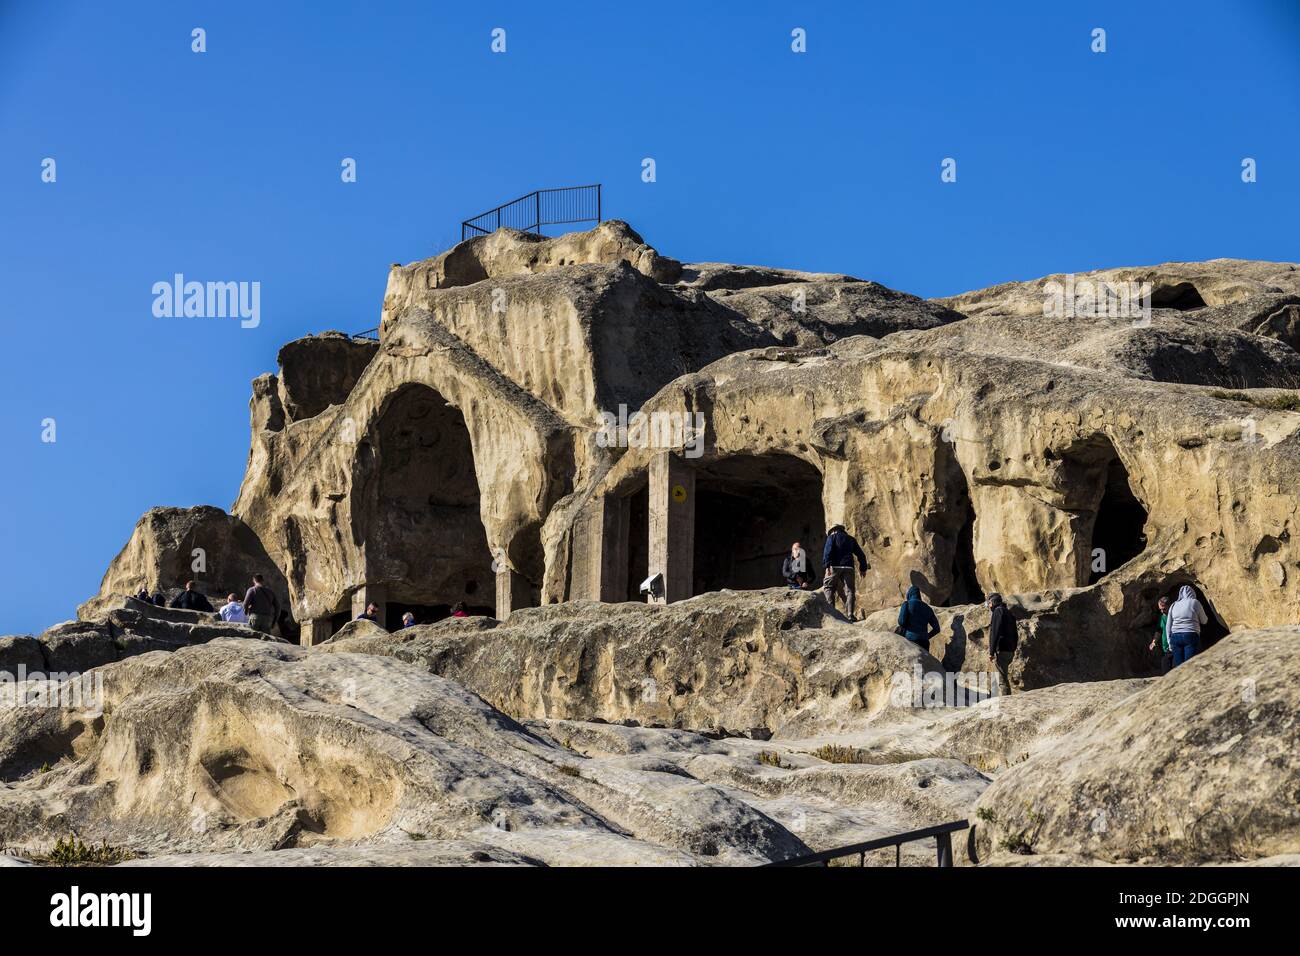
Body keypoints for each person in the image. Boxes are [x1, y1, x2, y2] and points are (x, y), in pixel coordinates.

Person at [821, 524, 868, 619]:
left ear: (833, 530)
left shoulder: (832, 537)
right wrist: (863, 568)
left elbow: (828, 551)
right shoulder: (851, 539)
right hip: (849, 567)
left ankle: (831, 613)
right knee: (850, 590)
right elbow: (861, 555)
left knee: (829, 587)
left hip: (834, 566)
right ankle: (850, 614)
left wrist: (827, 566)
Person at [1167, 585, 1208, 667]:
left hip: (1175, 637)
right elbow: (1204, 621)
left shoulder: (1174, 605)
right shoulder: (1194, 602)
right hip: (1190, 635)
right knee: (1189, 666)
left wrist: (1169, 642)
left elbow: (1168, 625)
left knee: (1178, 667)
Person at [986, 592, 1018, 695]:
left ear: (994, 602)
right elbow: (1015, 633)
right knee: (1003, 677)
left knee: (1002, 680)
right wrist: (1014, 648)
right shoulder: (1008, 612)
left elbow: (995, 632)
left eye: (989, 602)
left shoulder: (998, 611)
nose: (988, 605)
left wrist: (991, 652)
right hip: (1010, 650)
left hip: (1002, 650)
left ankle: (1006, 703)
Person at [897, 585, 941, 649]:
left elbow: (901, 622)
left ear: (909, 594)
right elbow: (937, 629)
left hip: (910, 640)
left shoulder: (907, 604)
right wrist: (926, 636)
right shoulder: (928, 608)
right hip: (924, 643)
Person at [1147, 596, 1172, 674]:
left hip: (1175, 646)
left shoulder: (1176, 615)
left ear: (1170, 606)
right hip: (1166, 648)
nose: (1162, 611)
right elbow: (1159, 630)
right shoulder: (1162, 617)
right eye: (1160, 609)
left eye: (1164, 609)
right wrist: (1154, 642)